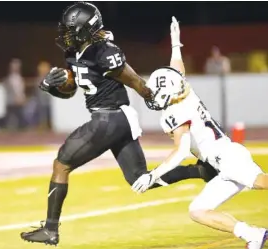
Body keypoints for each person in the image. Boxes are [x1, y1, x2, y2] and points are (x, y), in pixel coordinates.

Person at [20, 3, 218, 245]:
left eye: (71, 30)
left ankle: (50, 230)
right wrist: (53, 86)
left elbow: (132, 79)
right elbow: (70, 90)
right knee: (138, 179)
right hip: (116, 119)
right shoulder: (74, 52)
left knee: (62, 164)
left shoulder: (104, 50)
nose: (66, 35)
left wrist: (150, 95)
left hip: (110, 117)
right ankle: (200, 170)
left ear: (86, 30)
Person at [132, 17, 268, 249]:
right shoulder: (183, 91)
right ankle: (253, 234)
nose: (151, 95)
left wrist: (152, 176)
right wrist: (175, 43)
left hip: (227, 157)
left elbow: (182, 150)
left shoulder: (174, 111)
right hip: (220, 161)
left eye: (155, 91)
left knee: (263, 183)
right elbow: (177, 69)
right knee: (197, 210)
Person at [4, 58, 26, 130]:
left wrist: (22, 97)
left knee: (20, 115)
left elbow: (21, 90)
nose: (16, 68)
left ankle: (20, 127)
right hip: (11, 101)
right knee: (12, 115)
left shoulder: (20, 78)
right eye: (14, 66)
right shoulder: (9, 79)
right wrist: (15, 97)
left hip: (19, 100)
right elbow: (9, 90)